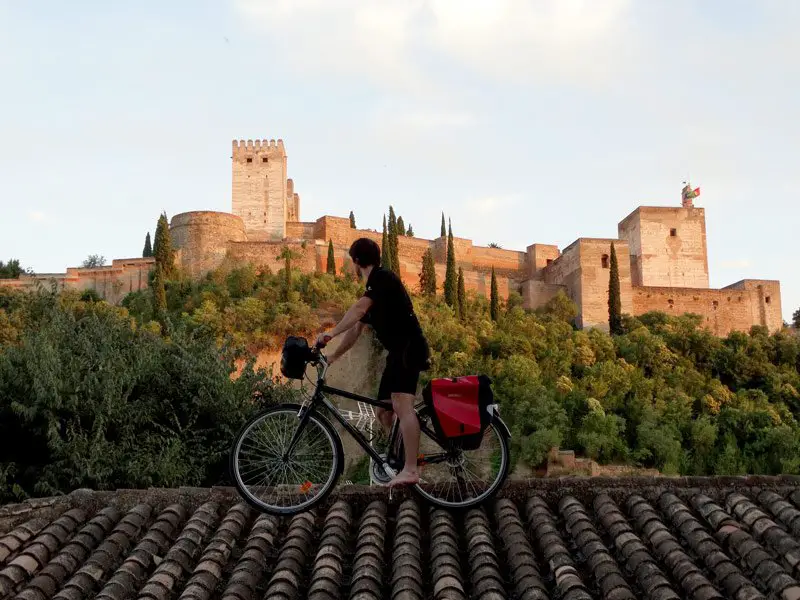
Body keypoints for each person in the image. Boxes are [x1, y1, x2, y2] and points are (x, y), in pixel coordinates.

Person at [317, 237, 430, 487]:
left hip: (408, 347)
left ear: (357, 261)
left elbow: (357, 310)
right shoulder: (376, 289)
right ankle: (402, 460)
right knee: (383, 411)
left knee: (402, 406)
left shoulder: (381, 279)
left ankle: (411, 470)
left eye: (352, 262)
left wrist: (329, 334)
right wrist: (334, 356)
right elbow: (356, 329)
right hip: (397, 351)